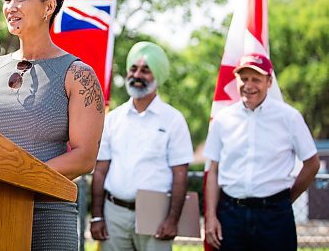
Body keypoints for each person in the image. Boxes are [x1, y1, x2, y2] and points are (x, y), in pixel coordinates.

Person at [0, 0, 105, 250]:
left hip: (46, 217)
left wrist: (17, 177)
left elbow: (85, 157)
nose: (11, 6)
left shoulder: (78, 74)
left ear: (49, 7)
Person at [204, 52, 320, 251]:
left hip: (274, 217)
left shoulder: (289, 117)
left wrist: (286, 198)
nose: (248, 85)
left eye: (256, 79)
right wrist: (211, 217)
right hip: (231, 216)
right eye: (244, 78)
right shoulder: (223, 120)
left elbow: (312, 163)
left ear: (269, 82)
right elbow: (213, 169)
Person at [90, 42, 194, 251]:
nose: (137, 75)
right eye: (133, 69)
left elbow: (180, 175)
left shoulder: (173, 120)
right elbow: (100, 172)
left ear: (158, 76)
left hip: (156, 213)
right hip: (114, 214)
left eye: (145, 70)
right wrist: (97, 216)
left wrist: (172, 220)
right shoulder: (113, 118)